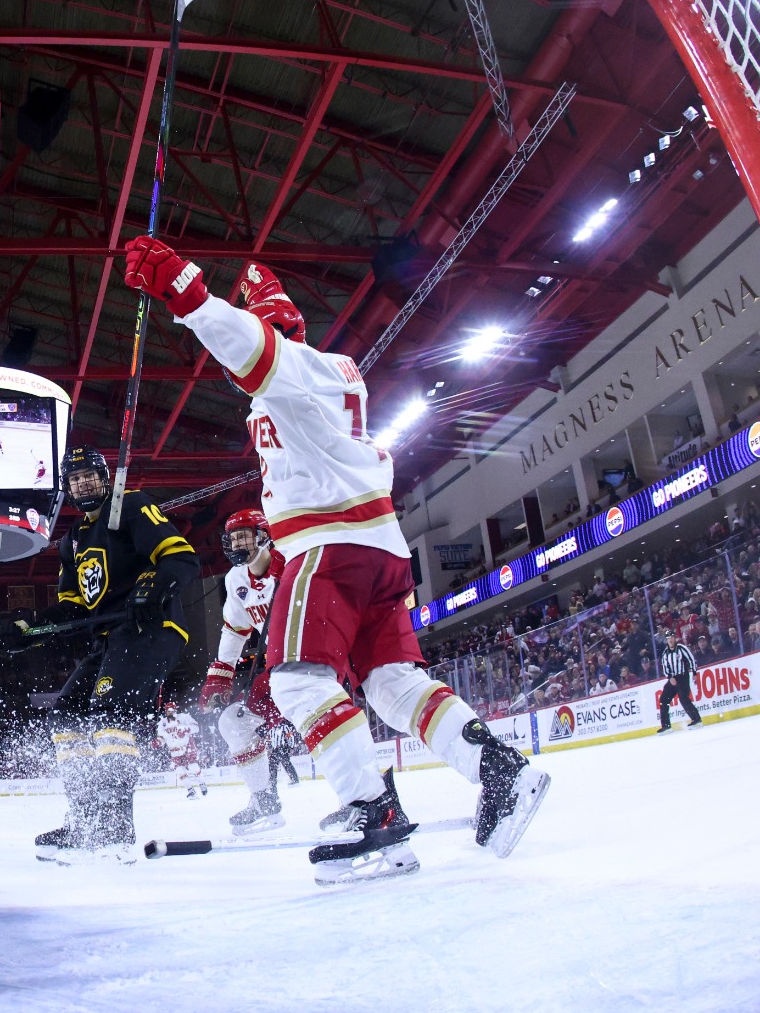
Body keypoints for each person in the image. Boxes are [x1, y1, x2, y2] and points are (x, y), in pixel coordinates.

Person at [124, 238, 550, 884]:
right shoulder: (329, 378)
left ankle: (371, 810)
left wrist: (189, 297)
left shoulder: (297, 370)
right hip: (377, 545)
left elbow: (254, 351)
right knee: (391, 684)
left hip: (329, 545)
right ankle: (499, 771)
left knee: (296, 680)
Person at [0, 445, 200, 863]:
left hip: (149, 629)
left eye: (90, 475)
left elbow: (181, 559)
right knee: (65, 716)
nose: (83, 483)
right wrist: (27, 629)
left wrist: (150, 586)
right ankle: (86, 819)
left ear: (105, 479)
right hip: (108, 638)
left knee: (110, 715)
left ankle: (114, 828)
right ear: (67, 488)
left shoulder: (132, 506)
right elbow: (72, 608)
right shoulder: (73, 542)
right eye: (75, 478)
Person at [200, 508, 291, 834]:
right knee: (233, 723)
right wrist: (219, 674)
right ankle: (263, 800)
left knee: (322, 726)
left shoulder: (293, 558)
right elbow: (235, 630)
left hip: (316, 659)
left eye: (245, 536)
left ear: (264, 535)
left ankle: (363, 799)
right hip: (279, 669)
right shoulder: (235, 579)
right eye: (234, 537)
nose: (239, 543)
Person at [153, 707, 206, 798]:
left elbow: (196, 727)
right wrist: (158, 742)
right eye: (168, 711)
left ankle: (202, 784)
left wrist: (186, 729)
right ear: (166, 712)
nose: (170, 713)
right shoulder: (163, 723)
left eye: (172, 711)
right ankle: (191, 791)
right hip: (174, 751)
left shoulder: (184, 717)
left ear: (175, 711)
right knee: (180, 771)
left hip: (187, 747)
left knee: (193, 767)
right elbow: (162, 737)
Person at [656, 634, 702, 731]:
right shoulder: (665, 652)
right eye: (668, 638)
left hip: (682, 676)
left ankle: (697, 719)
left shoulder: (681, 648)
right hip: (673, 678)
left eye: (672, 638)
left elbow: (691, 659)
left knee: (683, 698)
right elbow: (664, 666)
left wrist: (694, 673)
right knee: (664, 699)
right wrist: (669, 677)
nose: (670, 640)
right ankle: (666, 725)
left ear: (674, 639)